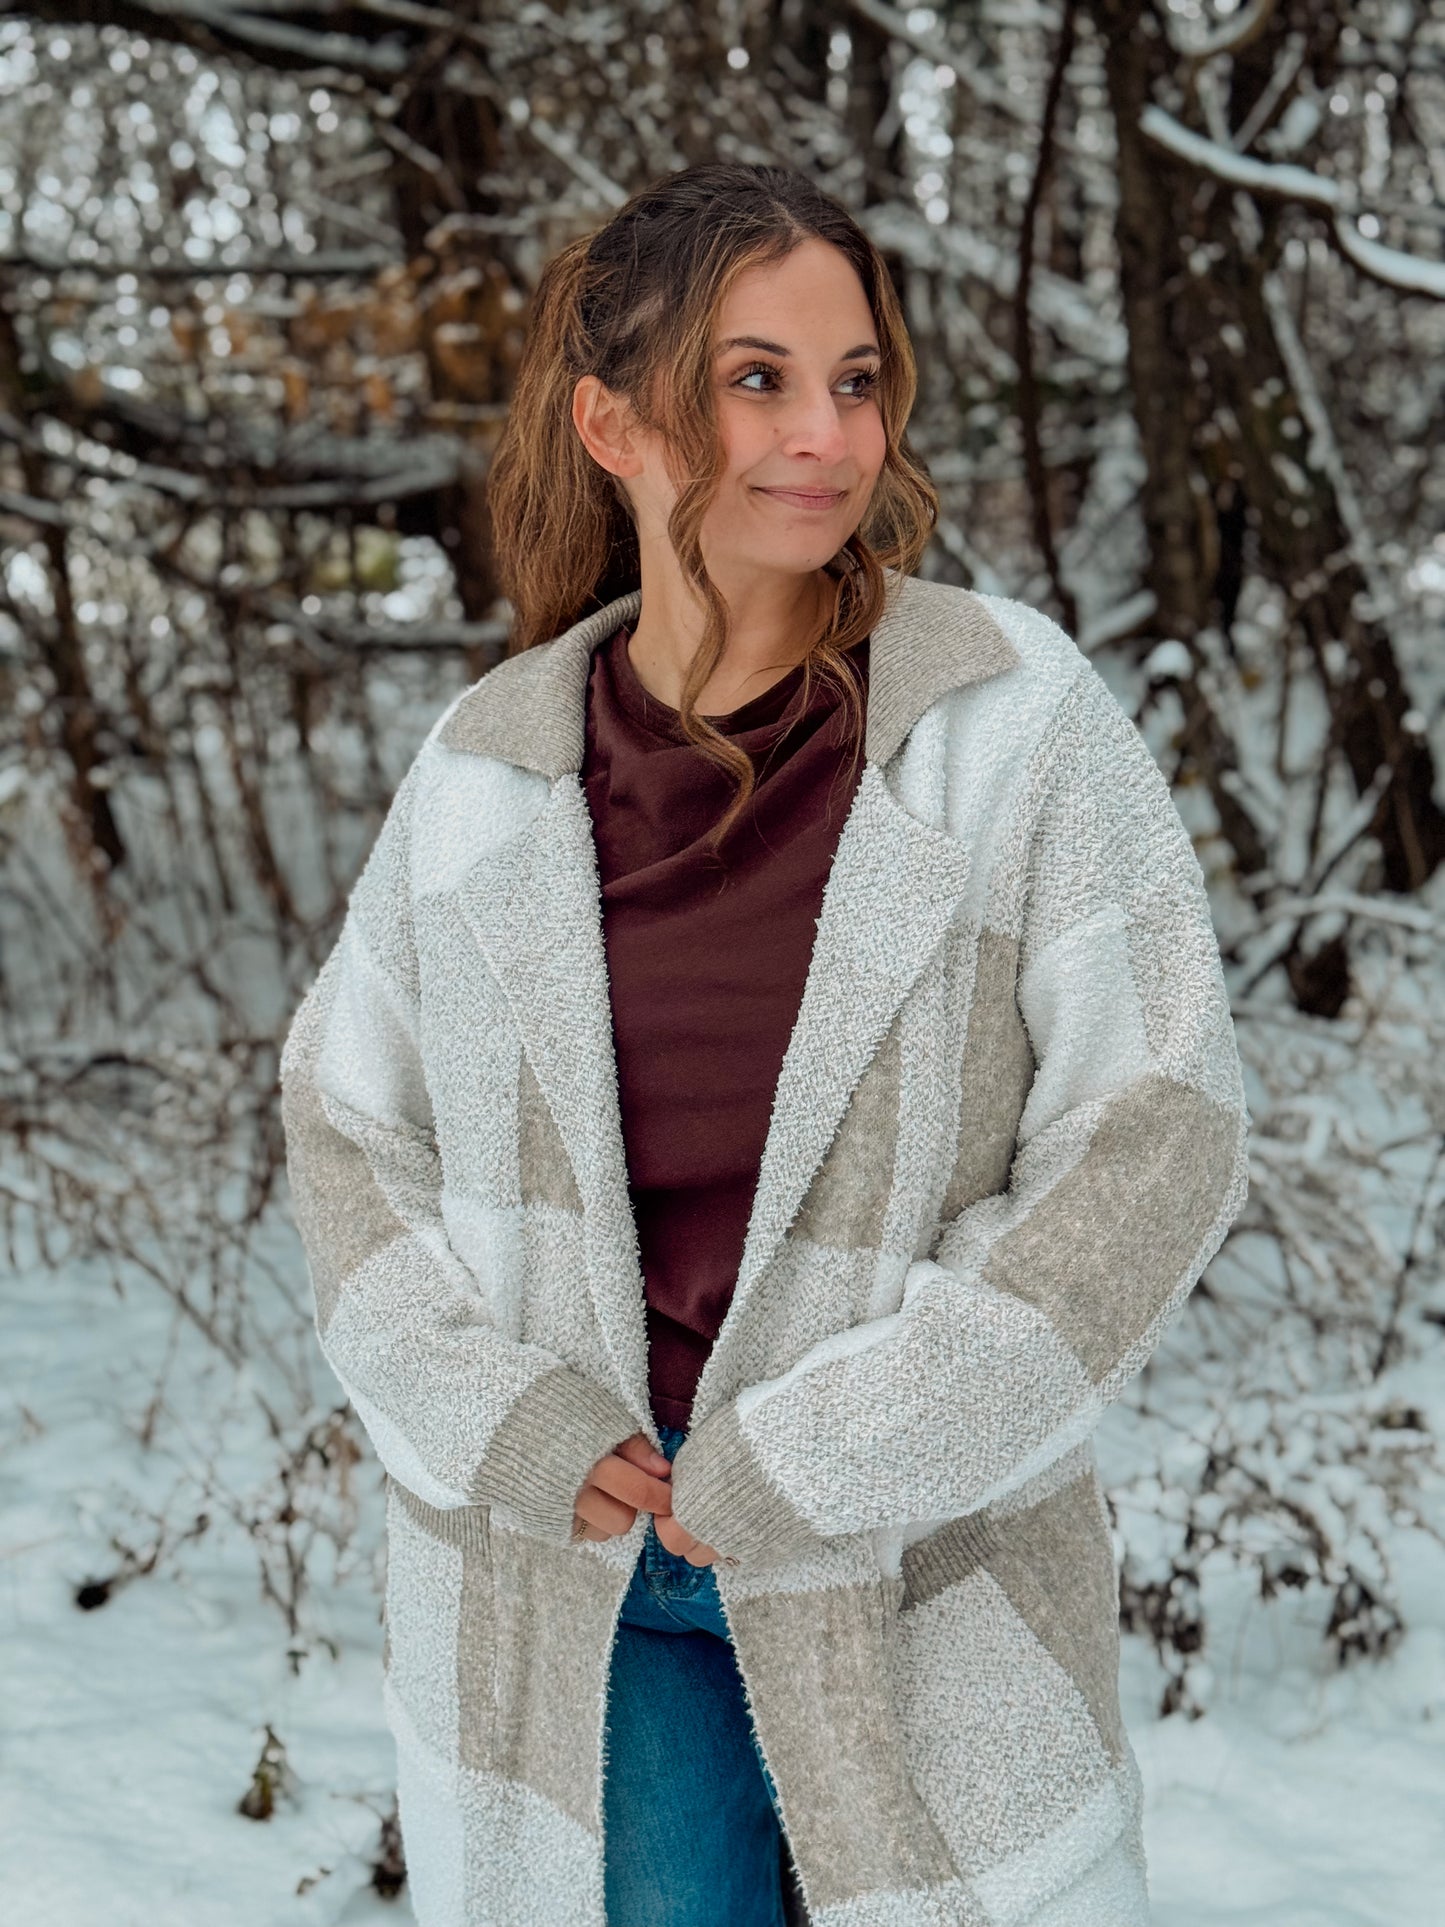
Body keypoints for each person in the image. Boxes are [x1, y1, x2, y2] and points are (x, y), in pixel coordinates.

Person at [279, 159, 1250, 1927]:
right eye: (756, 379)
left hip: (920, 1564)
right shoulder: (487, 775)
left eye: (855, 378)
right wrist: (497, 1419)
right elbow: (349, 1138)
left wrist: (856, 1442)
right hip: (595, 1585)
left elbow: (1157, 1124)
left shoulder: (1003, 721)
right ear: (613, 423)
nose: (825, 432)